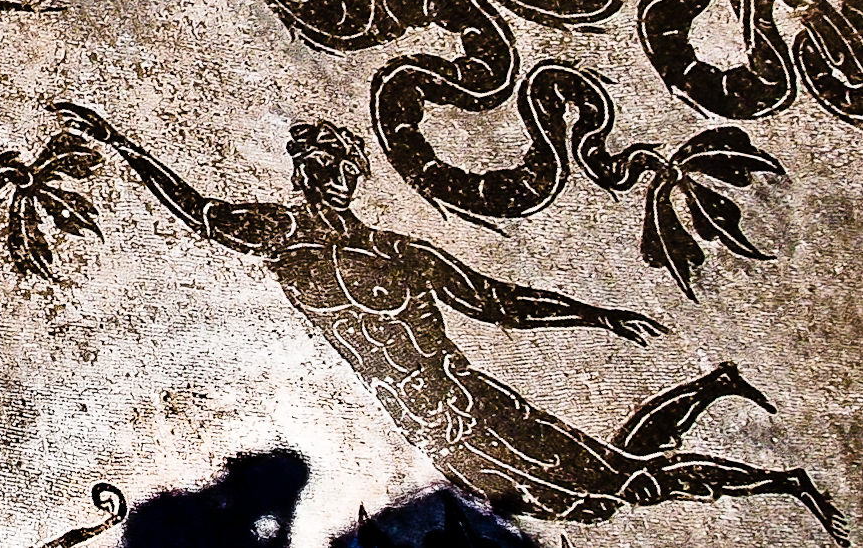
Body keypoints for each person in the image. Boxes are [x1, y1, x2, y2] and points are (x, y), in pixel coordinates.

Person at [52, 103, 846, 542]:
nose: (327, 176)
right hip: (425, 423)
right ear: (301, 174)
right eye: (316, 165)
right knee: (588, 499)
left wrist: (592, 314)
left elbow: (498, 301)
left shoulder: (399, 253)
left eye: (339, 166)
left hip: (465, 401)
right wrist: (119, 142)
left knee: (612, 487)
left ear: (353, 178)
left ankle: (773, 465)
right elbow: (198, 211)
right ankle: (716, 389)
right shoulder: (282, 238)